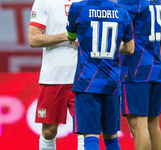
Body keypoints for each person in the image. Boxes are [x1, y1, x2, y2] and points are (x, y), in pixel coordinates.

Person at [66, 0, 135, 149]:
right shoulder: (122, 11)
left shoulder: (78, 8)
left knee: (91, 135)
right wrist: (112, 47)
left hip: (87, 81)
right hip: (112, 82)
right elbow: (130, 48)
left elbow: (71, 36)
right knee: (111, 136)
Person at [28, 0, 84, 149]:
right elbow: (33, 39)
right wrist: (66, 36)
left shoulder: (87, 1)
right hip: (53, 76)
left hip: (82, 77)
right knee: (48, 131)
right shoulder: (43, 2)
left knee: (85, 131)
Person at [118, 0, 161, 150]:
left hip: (136, 67)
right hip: (155, 64)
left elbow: (116, 28)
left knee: (139, 127)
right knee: (153, 125)